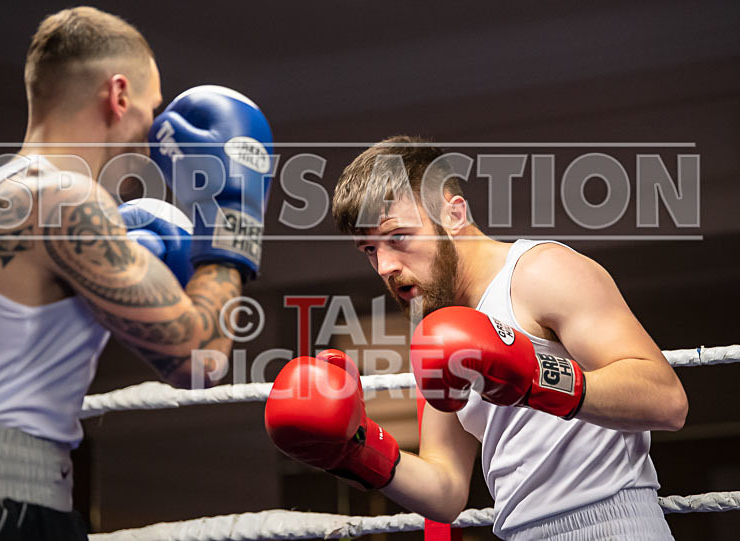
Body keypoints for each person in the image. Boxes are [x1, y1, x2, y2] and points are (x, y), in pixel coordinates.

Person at [0, 7, 272, 540]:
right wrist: (232, 222)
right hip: (1, 506)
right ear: (119, 95)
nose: (155, 130)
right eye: (152, 108)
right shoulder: (67, 200)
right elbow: (199, 359)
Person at [265, 136, 688, 540]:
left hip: (614, 524)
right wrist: (357, 451)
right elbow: (445, 490)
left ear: (454, 214)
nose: (385, 266)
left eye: (398, 237)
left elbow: (667, 401)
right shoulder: (440, 332)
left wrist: (532, 376)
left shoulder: (541, 272)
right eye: (369, 250)